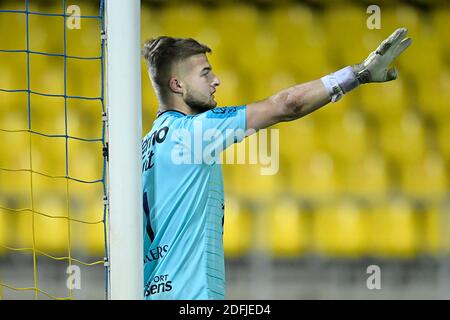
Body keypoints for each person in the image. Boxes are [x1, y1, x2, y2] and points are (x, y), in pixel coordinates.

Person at [141, 28, 411, 299]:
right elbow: (287, 105)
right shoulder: (192, 134)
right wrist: (358, 74)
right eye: (205, 73)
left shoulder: (144, 148)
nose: (216, 80)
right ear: (177, 85)